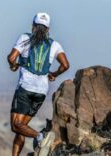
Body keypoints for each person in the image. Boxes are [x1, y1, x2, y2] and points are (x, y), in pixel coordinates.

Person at [7, 12, 69, 156]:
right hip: (41, 92)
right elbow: (65, 65)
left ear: (33, 26)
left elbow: (11, 58)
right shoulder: (54, 44)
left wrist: (14, 66)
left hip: (25, 88)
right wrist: (53, 74)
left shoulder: (25, 39)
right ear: (48, 29)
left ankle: (41, 137)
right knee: (22, 126)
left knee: (16, 125)